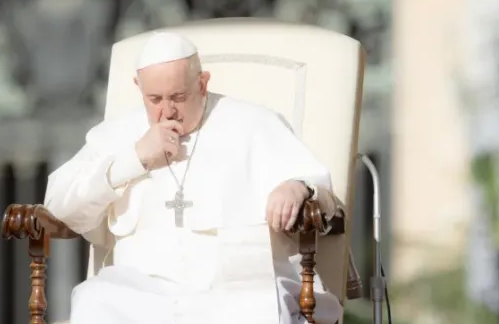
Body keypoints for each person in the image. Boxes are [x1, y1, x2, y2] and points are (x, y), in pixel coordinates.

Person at [44, 31, 342, 324]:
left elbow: (322, 193)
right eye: (154, 99)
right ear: (138, 87)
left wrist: (297, 187)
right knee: (95, 301)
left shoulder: (254, 122)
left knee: (258, 307)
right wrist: (134, 159)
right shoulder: (117, 135)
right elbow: (58, 204)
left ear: (203, 82)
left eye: (178, 96)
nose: (167, 111)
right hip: (141, 289)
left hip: (236, 286)